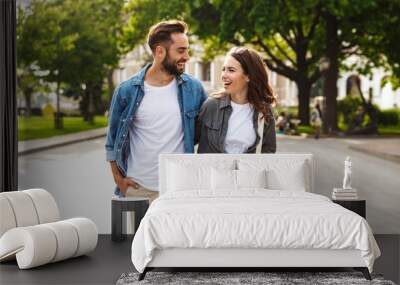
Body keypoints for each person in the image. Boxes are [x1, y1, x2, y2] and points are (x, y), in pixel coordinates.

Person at [105, 20, 207, 202]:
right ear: (160, 52)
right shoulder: (126, 91)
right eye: (181, 50)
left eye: (187, 50)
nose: (187, 56)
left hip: (180, 189)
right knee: (139, 233)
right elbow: (112, 141)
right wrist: (118, 179)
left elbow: (204, 132)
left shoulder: (194, 89)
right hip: (138, 189)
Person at [196, 47, 276, 154]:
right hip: (212, 170)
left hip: (247, 170)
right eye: (223, 69)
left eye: (231, 70)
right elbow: (189, 140)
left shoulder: (264, 111)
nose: (224, 75)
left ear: (248, 76)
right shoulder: (211, 106)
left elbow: (268, 153)